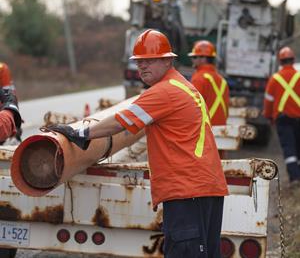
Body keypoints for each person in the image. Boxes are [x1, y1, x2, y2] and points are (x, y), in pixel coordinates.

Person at [48, 29, 228, 258]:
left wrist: (81, 132)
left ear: (168, 61)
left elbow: (119, 121)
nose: (142, 67)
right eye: (139, 62)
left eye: (149, 61)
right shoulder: (182, 85)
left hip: (187, 191)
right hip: (204, 187)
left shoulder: (163, 92)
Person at [263, 46, 300, 183]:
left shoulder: (275, 79)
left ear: (280, 61)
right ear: (293, 60)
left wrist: (268, 116)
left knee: (289, 148)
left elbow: (269, 101)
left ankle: (295, 178)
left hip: (283, 119)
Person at [189, 40, 230, 126]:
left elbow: (192, 108)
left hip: (205, 130)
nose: (192, 60)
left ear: (203, 58)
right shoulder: (222, 81)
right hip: (221, 129)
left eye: (194, 57)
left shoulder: (199, 78)